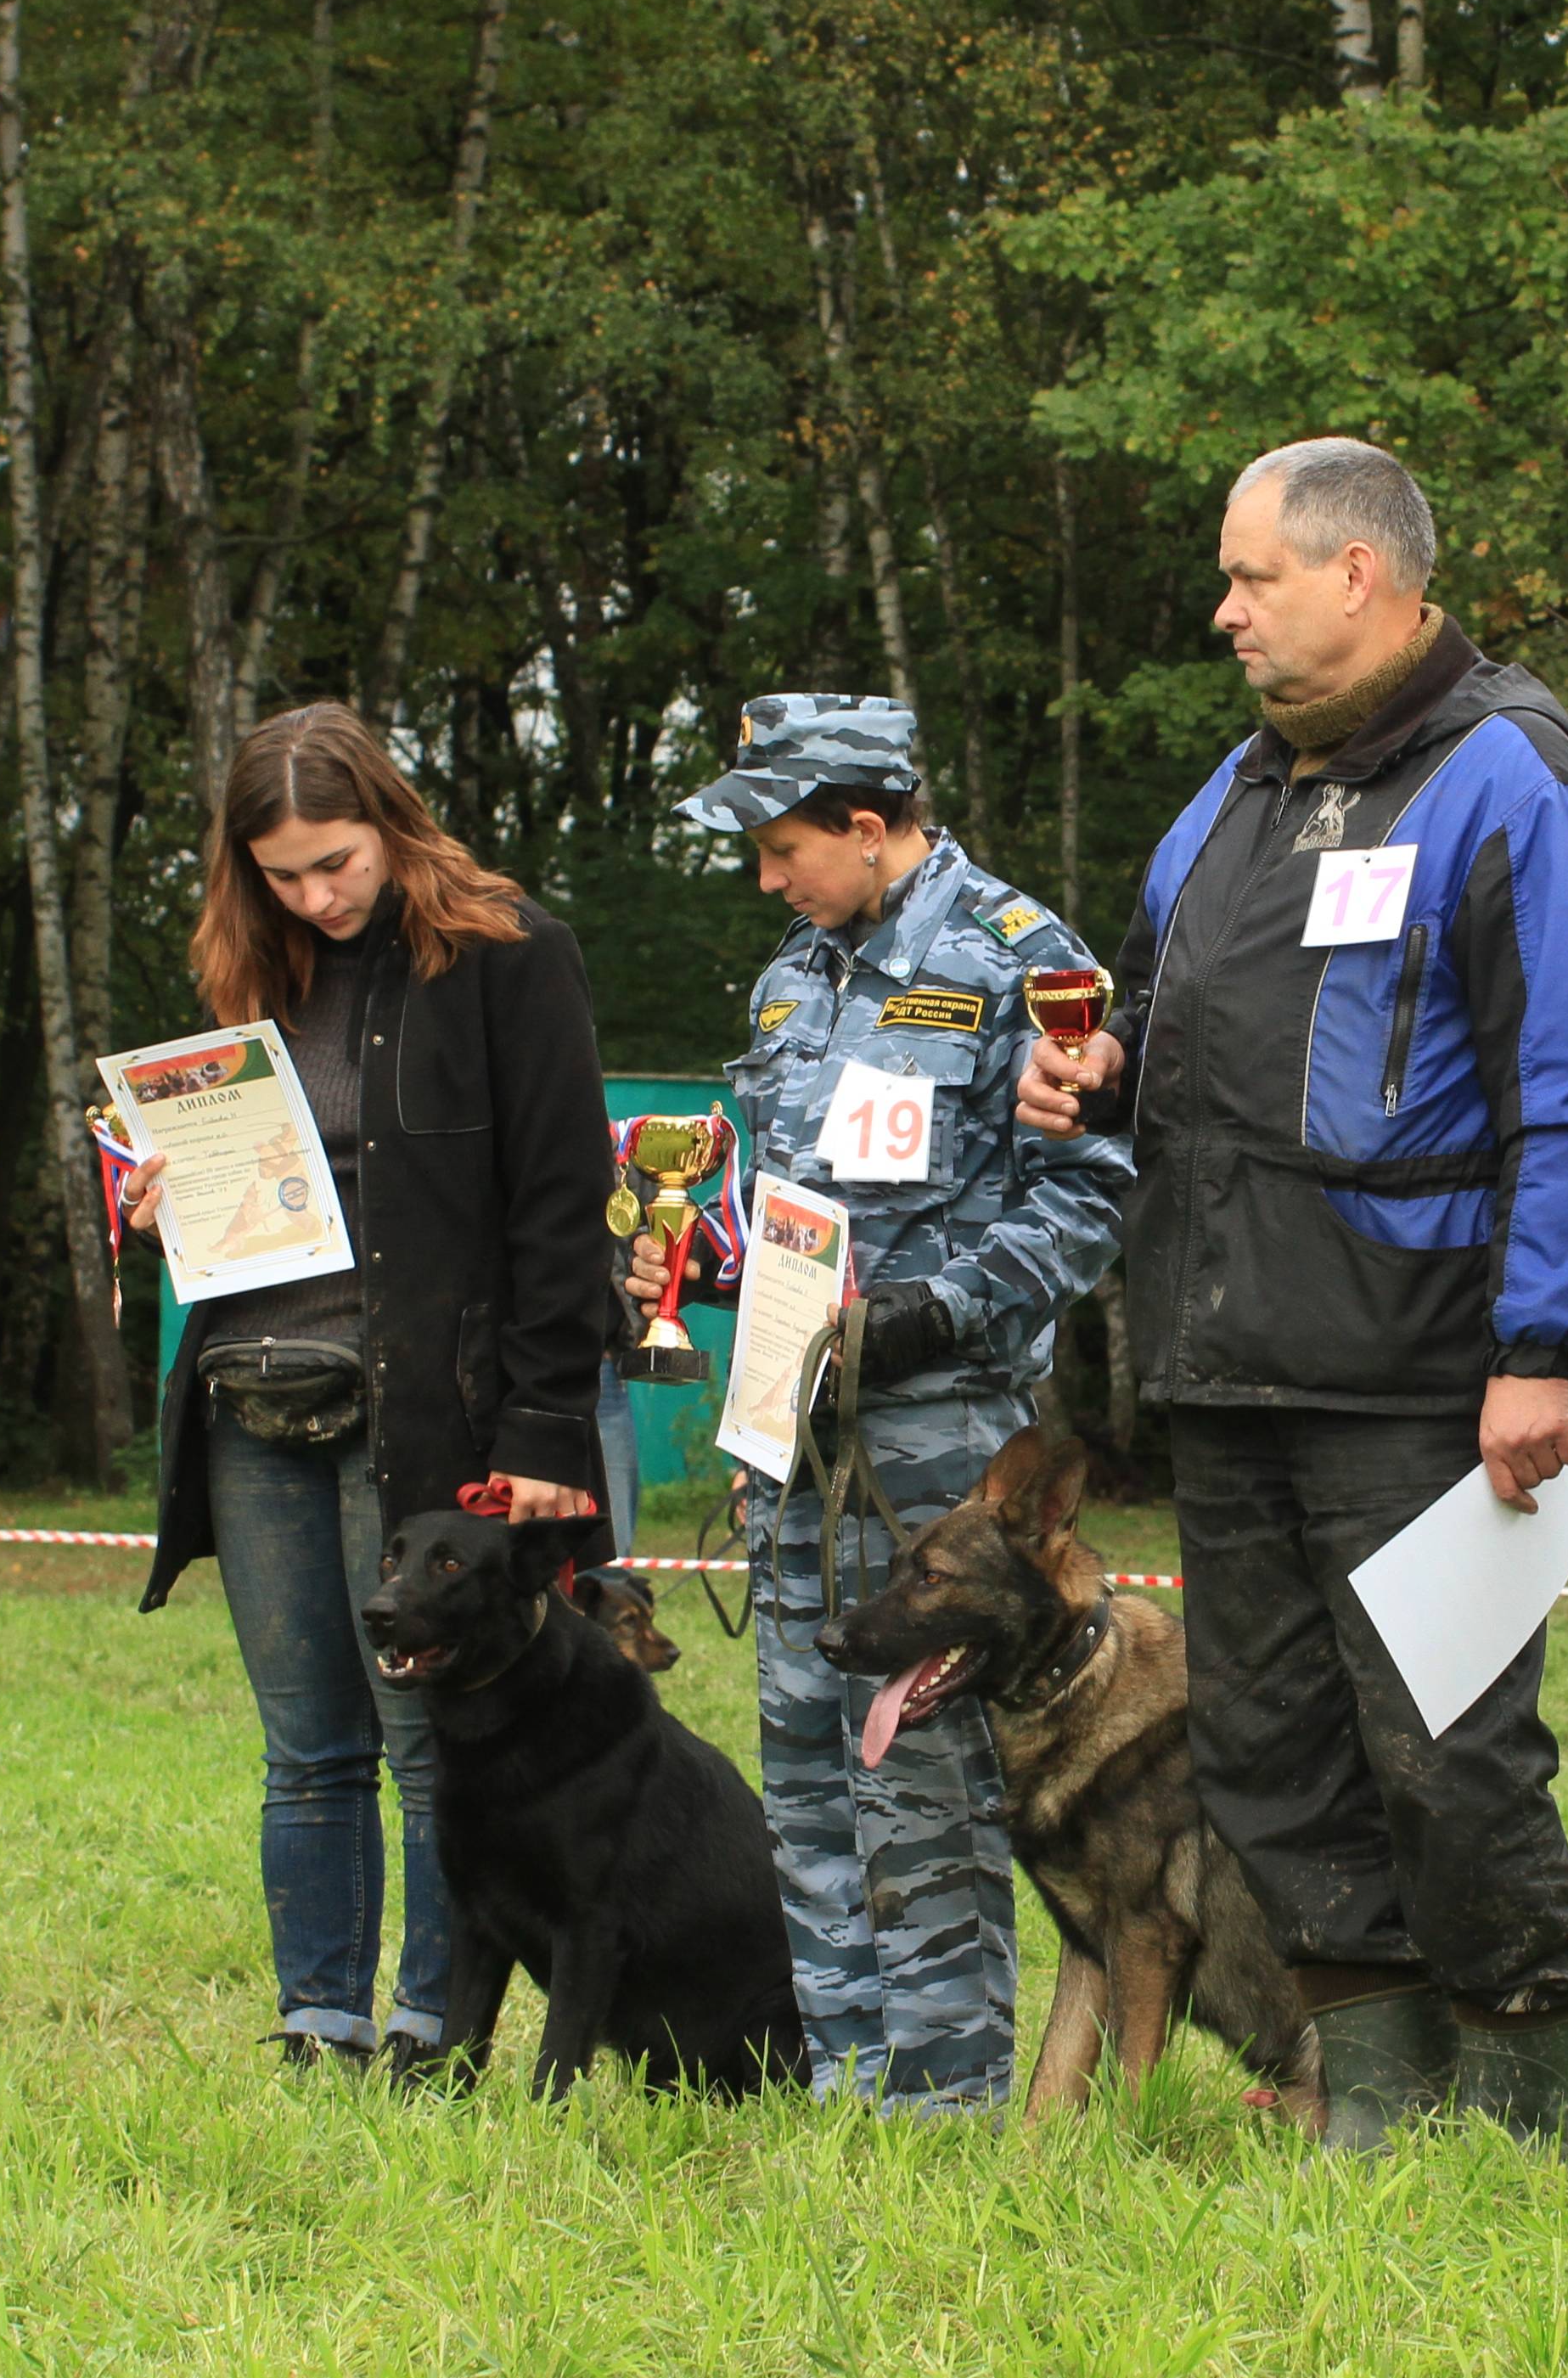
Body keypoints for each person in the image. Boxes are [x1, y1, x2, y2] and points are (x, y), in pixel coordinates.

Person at [1017, 435, 1568, 2149]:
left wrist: (1541, 1345)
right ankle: (1370, 2099)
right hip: (1226, 1373)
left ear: (1360, 573)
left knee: (1445, 1757)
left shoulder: (1511, 777)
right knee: (1272, 1761)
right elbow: (1161, 1030)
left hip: (1420, 1380)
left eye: (1253, 577)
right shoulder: (1228, 801)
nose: (1224, 611)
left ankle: (1522, 2112)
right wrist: (1102, 1078)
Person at [649, 692, 1133, 2115]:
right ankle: (845, 2088)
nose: (766, 877)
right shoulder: (788, 981)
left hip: (944, 1447)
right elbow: (772, 1199)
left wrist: (941, 1307)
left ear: (869, 828)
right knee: (805, 1768)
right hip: (794, 1440)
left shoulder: (1023, 962)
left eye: (784, 845)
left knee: (919, 1779)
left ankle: (943, 2104)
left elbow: (1094, 1188)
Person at [129, 703, 621, 2076]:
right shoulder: (254, 964)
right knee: (306, 1743)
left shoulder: (506, 954)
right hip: (248, 1390)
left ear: (392, 825)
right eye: (282, 873)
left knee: (426, 1733)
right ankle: (317, 2022)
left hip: (421, 1403)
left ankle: (425, 2023)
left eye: (335, 862)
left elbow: (561, 1202)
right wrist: (164, 1198)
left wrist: (539, 1423)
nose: (315, 894)